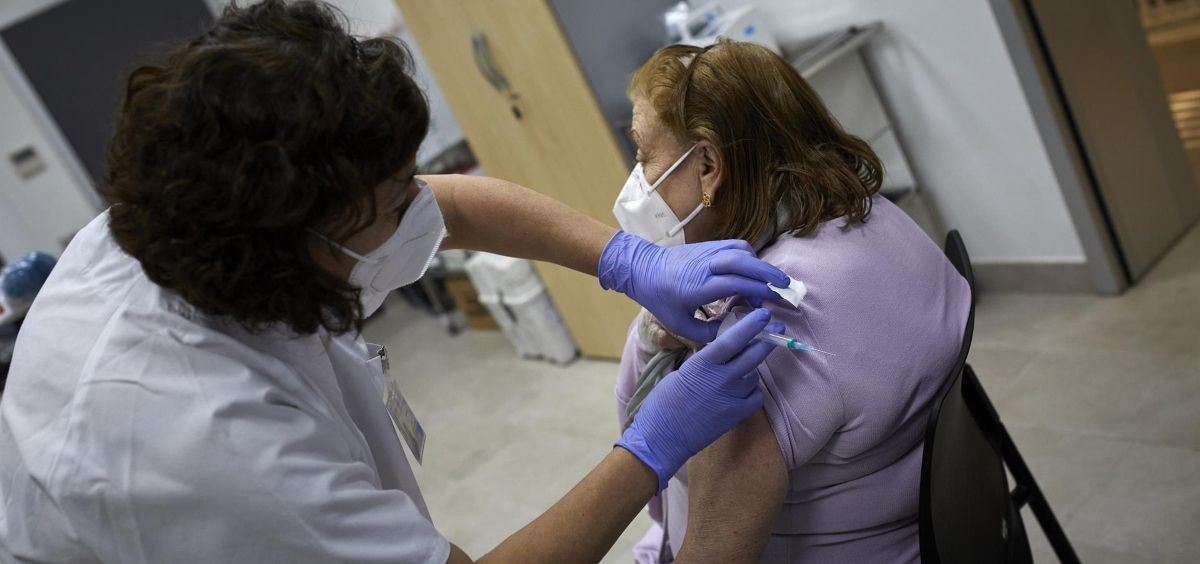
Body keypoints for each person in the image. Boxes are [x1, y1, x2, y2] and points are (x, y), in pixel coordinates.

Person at [0, 4, 796, 563]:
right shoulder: (217, 446)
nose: (417, 208)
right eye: (390, 204)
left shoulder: (184, 214)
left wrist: (630, 260)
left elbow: (448, 207)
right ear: (291, 240)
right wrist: (652, 446)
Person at [613, 40, 972, 563]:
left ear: (708, 165)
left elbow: (711, 550)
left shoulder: (762, 326)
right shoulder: (871, 211)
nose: (637, 180)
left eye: (644, 156)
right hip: (933, 521)